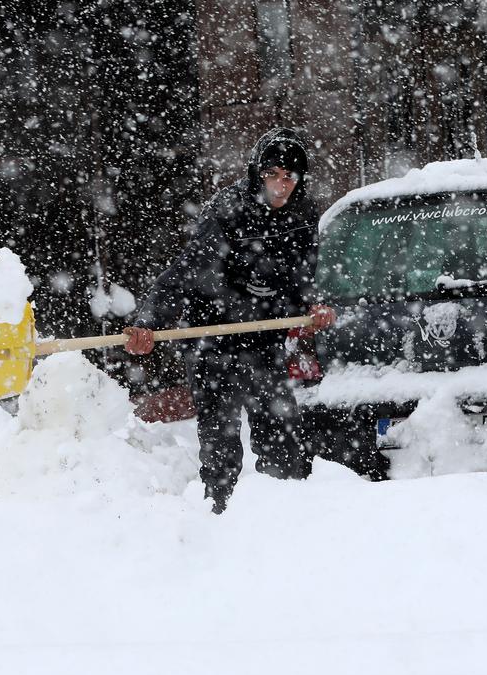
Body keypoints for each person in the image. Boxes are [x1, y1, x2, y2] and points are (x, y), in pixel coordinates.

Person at [123, 128, 336, 514]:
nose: (282, 185)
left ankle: (284, 519)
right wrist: (149, 323)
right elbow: (186, 272)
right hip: (213, 341)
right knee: (221, 447)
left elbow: (303, 277)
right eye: (273, 174)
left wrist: (314, 307)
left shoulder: (304, 215)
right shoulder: (228, 210)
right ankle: (219, 522)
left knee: (281, 438)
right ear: (258, 173)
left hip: (262, 341)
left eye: (290, 176)